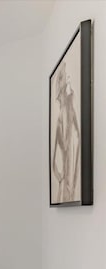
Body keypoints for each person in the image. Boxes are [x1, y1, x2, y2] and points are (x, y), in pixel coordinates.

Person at [51, 61, 81, 203]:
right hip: (66, 178)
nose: (69, 80)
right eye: (66, 78)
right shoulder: (62, 115)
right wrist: (61, 176)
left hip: (68, 177)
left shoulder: (70, 109)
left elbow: (76, 134)